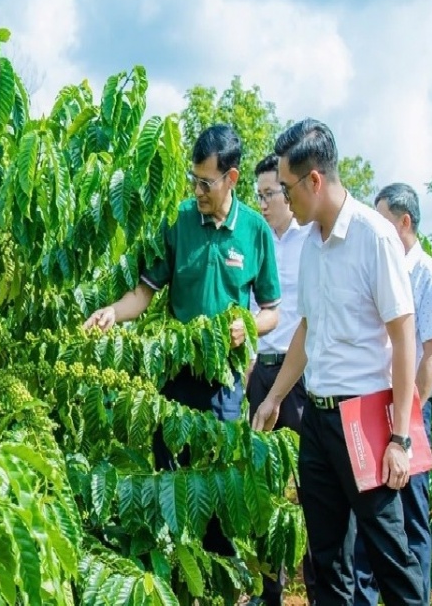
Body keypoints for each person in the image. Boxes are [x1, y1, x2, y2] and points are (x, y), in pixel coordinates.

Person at [84, 124, 281, 558]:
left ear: (231, 177)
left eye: (206, 182)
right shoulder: (178, 221)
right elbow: (143, 293)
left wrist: (246, 326)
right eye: (193, 179)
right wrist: (112, 313)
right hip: (175, 376)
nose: (197, 189)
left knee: (216, 486)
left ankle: (216, 579)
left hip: (224, 382)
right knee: (170, 478)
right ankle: (173, 576)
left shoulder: (254, 231)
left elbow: (272, 311)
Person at [251, 119, 427, 605]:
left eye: (286, 188)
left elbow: (404, 335)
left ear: (314, 181)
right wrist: (275, 398)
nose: (283, 199)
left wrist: (399, 438)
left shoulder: (374, 237)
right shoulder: (311, 245)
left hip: (366, 419)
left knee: (390, 555)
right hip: (319, 417)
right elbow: (306, 329)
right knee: (327, 561)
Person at [351, 183, 432, 605]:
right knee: (369, 512)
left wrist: (406, 422)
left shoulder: (428, 276)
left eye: (384, 219)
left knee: (410, 516)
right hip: (374, 406)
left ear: (404, 222)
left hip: (407, 414)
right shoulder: (383, 267)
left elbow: (430, 357)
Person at [245, 154, 315, 605]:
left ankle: (316, 589)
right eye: (260, 196)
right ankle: (270, 590)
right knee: (264, 488)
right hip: (261, 370)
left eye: (271, 193)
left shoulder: (312, 239)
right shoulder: (257, 241)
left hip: (303, 375)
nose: (265, 203)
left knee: (312, 486)